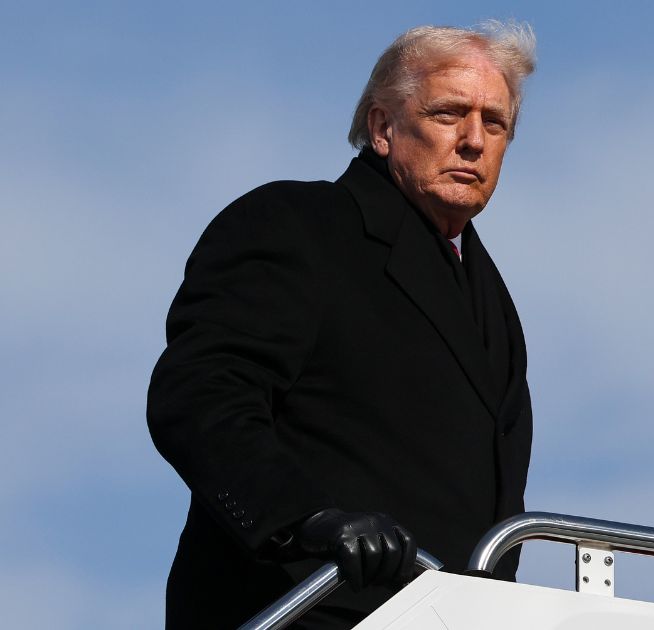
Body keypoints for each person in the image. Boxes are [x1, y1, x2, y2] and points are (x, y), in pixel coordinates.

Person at [147, 21, 536, 629]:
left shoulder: (493, 299)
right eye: (448, 114)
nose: (472, 141)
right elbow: (199, 396)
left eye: (494, 123)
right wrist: (307, 518)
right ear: (383, 128)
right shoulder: (296, 225)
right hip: (302, 606)